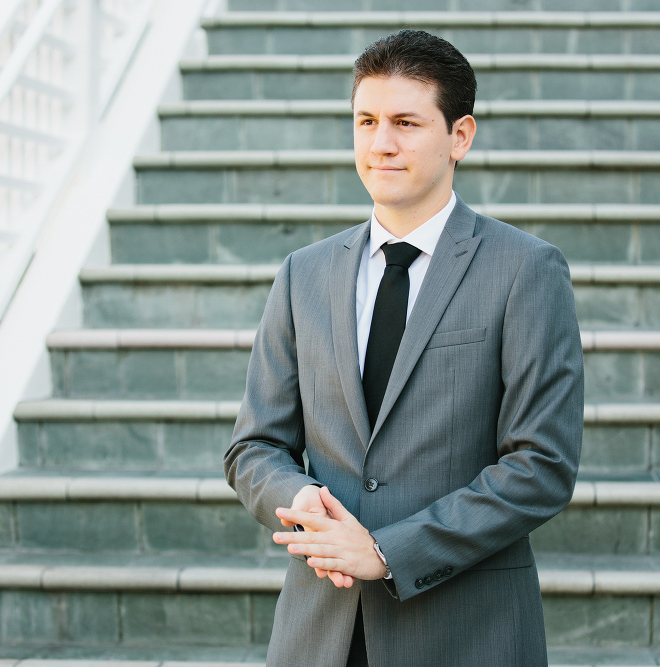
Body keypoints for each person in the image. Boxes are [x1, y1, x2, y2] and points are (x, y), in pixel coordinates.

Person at [223, 29, 584, 667]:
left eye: (405, 122)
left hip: (467, 630)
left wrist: (390, 551)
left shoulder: (525, 270)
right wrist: (298, 499)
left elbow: (542, 464)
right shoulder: (302, 273)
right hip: (320, 629)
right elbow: (254, 445)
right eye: (366, 120)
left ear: (460, 136)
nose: (380, 142)